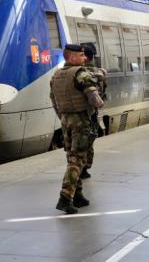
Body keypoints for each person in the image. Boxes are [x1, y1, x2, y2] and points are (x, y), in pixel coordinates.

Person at [50, 44, 104, 214]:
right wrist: (99, 104)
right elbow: (94, 97)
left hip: (65, 120)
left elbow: (53, 100)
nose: (84, 58)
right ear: (72, 57)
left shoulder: (56, 75)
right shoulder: (80, 74)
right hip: (81, 120)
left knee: (72, 157)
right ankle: (65, 198)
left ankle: (78, 195)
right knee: (77, 159)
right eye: (81, 55)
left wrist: (62, 116)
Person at [79, 44, 107, 179]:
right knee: (89, 142)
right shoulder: (99, 73)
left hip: (78, 113)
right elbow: (102, 94)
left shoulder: (78, 73)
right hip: (92, 112)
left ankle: (76, 167)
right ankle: (84, 168)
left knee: (76, 144)